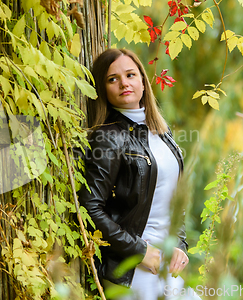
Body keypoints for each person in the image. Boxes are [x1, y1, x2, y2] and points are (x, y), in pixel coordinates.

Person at [79, 48, 199, 300]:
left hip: (163, 262)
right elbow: (89, 207)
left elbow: (173, 200)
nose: (124, 83)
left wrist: (178, 246)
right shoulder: (108, 137)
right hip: (132, 267)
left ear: (143, 81)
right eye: (113, 79)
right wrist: (140, 251)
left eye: (130, 75)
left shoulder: (162, 134)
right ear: (102, 89)